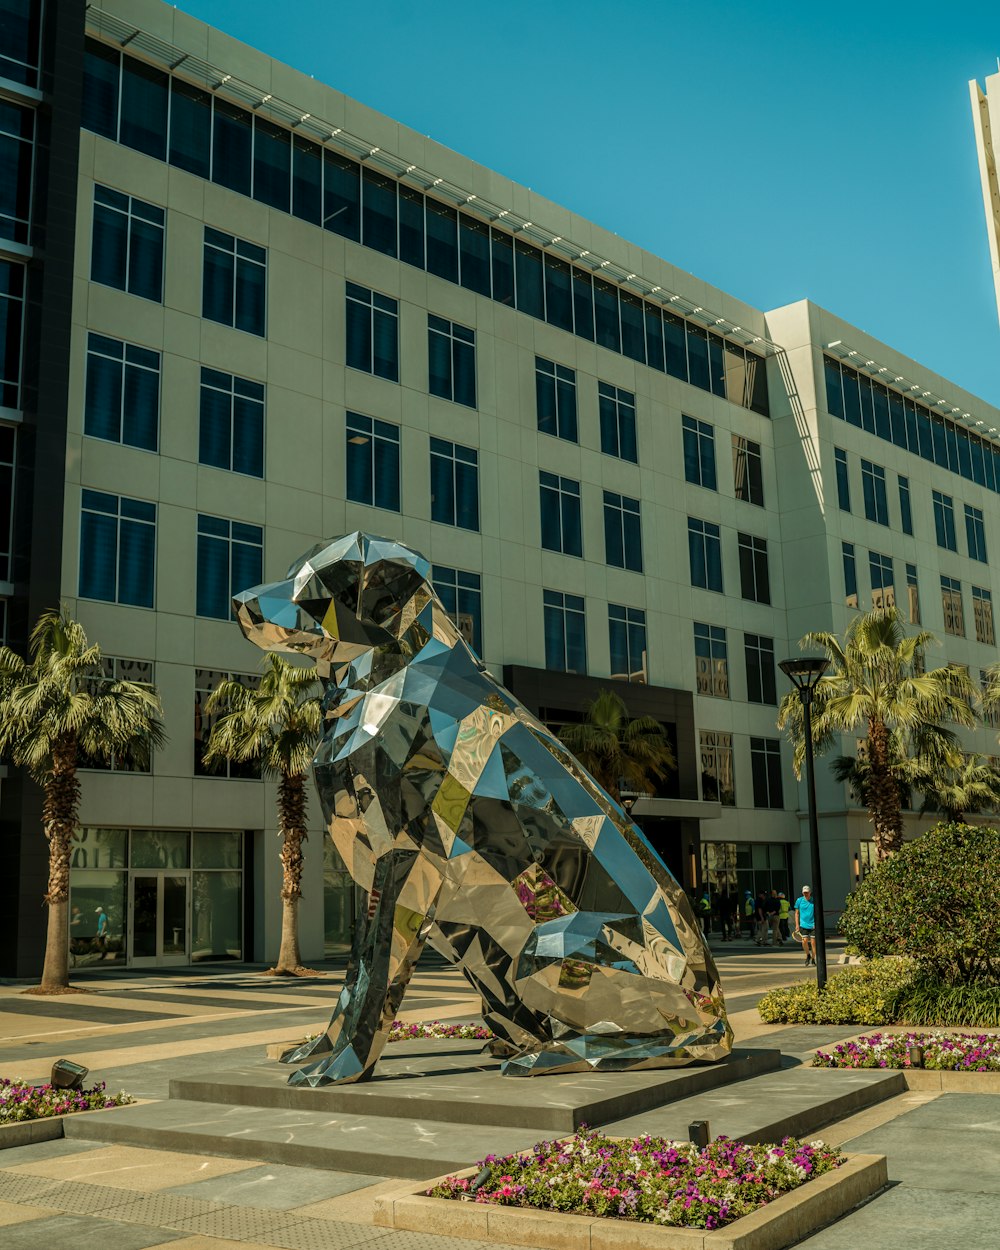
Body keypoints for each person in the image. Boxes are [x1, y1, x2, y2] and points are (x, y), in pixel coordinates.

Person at [793, 885, 817, 966]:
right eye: (804, 892)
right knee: (804, 941)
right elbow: (796, 913)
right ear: (802, 892)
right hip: (803, 924)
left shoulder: (814, 900)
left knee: (813, 943)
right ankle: (808, 955)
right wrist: (797, 925)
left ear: (810, 892)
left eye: (807, 892)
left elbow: (817, 912)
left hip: (813, 924)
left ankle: (813, 958)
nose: (805, 894)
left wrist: (816, 923)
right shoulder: (799, 901)